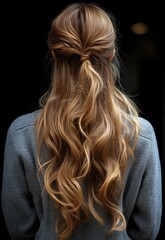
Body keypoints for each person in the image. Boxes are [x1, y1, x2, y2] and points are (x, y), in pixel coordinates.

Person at [1, 2, 162, 240]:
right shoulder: (142, 135)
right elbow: (147, 229)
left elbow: (19, 228)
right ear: (112, 55)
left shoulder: (21, 133)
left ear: (54, 54)